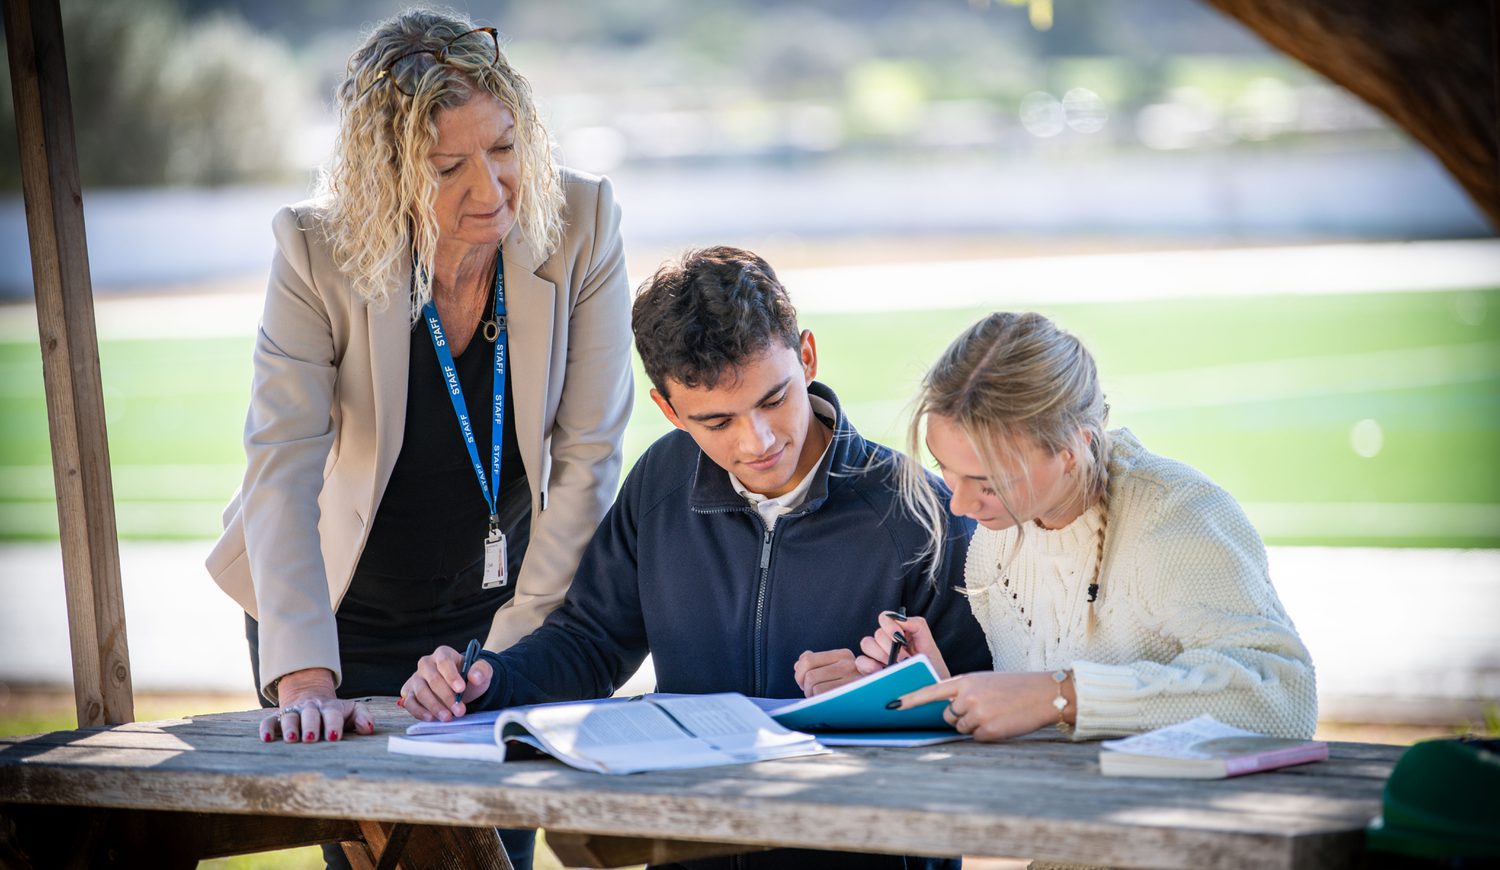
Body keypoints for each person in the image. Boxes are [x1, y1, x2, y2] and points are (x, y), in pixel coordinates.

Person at [403, 246, 990, 870]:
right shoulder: (660, 483)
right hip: (685, 853)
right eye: (715, 421)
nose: (756, 441)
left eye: (772, 399)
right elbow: (592, 641)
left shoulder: (919, 511)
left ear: (808, 357)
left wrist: (896, 696)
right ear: (668, 411)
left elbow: (978, 708)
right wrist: (493, 680)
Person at [205, 9, 633, 865]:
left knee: (494, 852)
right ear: (388, 172)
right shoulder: (314, 250)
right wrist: (305, 677)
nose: (493, 188)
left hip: (499, 608)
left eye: (504, 147)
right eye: (448, 166)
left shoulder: (583, 220)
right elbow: (280, 467)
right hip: (340, 614)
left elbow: (588, 458)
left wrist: (504, 666)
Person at [859, 311, 1317, 743]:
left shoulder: (1175, 517)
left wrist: (1062, 695)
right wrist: (941, 692)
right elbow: (1036, 727)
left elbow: (1283, 695)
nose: (958, 504)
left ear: (1071, 451)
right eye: (946, 469)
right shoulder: (995, 540)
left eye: (989, 483)